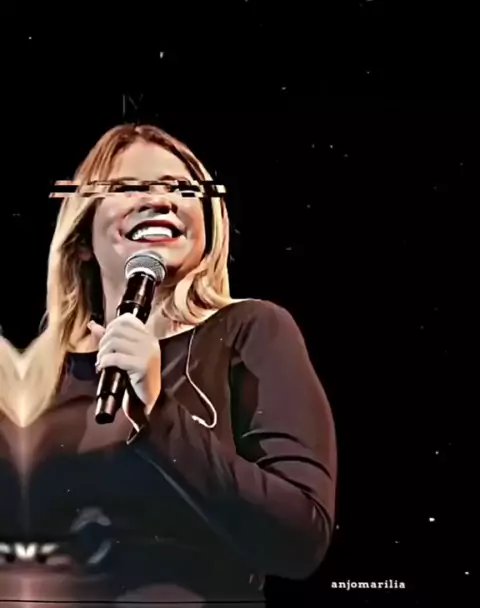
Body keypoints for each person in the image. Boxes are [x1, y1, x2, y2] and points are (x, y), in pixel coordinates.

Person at [19, 124, 337, 606]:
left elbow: (301, 539)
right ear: (82, 237)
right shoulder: (36, 378)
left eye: (182, 189)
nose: (162, 200)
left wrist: (158, 412)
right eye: (129, 187)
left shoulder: (251, 331)